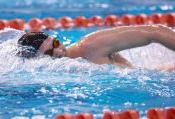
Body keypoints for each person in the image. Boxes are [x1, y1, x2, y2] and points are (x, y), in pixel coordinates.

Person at [17, 24, 175, 71]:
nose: (59, 51)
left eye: (56, 44)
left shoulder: (90, 45)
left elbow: (155, 32)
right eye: (50, 53)